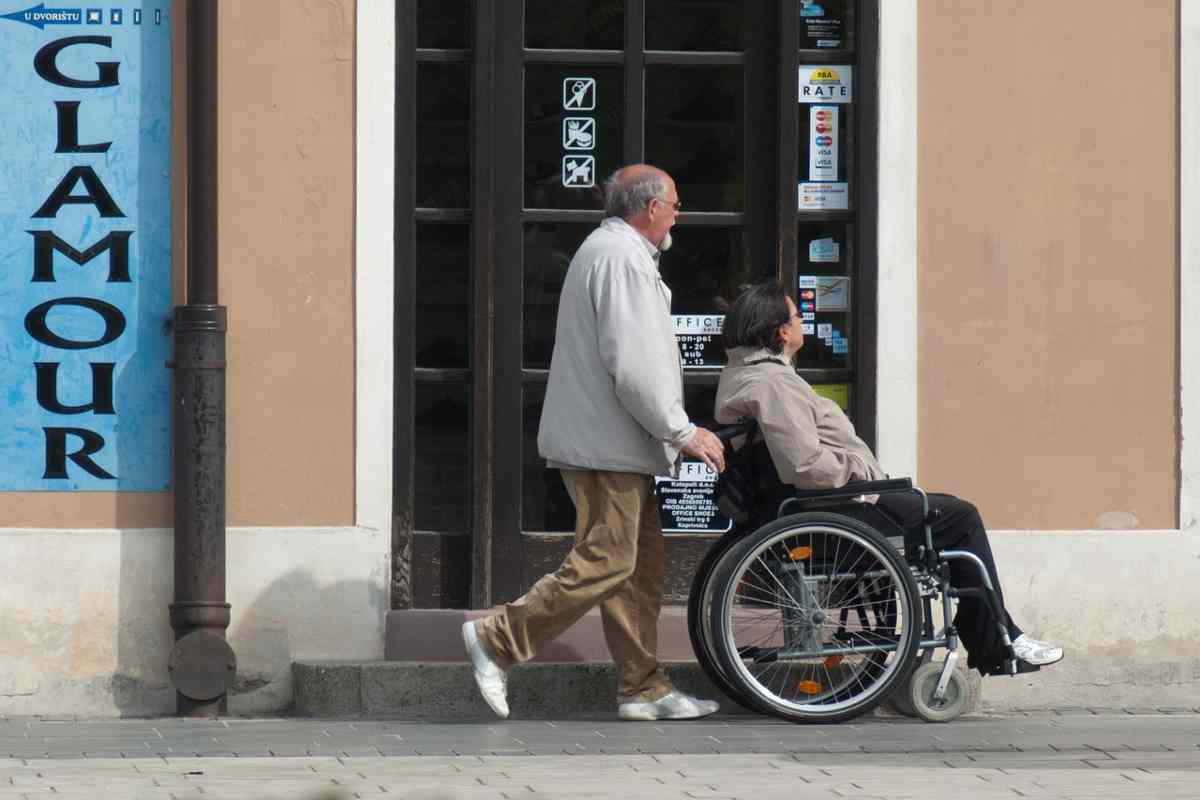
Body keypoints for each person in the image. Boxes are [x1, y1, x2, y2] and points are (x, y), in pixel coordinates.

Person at [462, 165, 728, 721]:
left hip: (614, 443)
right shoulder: (621, 258)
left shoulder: (616, 254)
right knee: (608, 561)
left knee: (637, 568)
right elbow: (635, 364)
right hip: (607, 445)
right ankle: (497, 639)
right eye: (675, 204)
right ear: (650, 208)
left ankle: (643, 688)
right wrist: (682, 430)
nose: (679, 214)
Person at [713, 282, 1063, 675]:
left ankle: (991, 631)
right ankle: (996, 637)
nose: (801, 322)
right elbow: (805, 466)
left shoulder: (747, 375)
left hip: (827, 505)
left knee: (944, 509)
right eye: (797, 316)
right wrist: (861, 472)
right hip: (836, 506)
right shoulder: (773, 384)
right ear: (780, 331)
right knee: (960, 517)